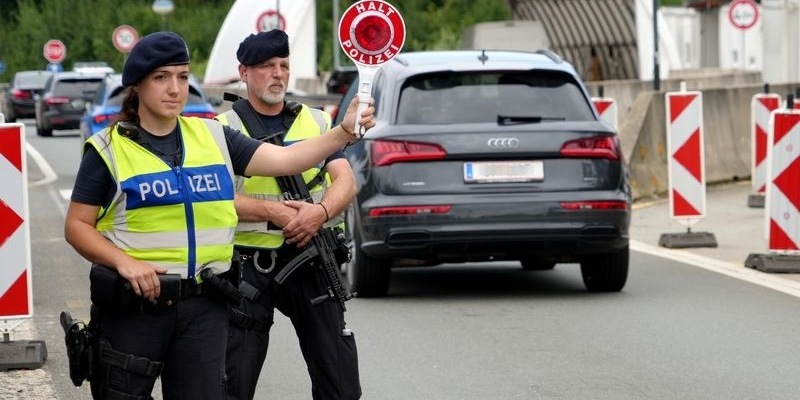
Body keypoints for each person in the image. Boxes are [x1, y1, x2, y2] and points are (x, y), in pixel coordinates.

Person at [63, 31, 373, 400]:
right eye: (161, 78)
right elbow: (77, 226)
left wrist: (343, 132)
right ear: (137, 85)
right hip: (139, 304)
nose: (175, 88)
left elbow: (286, 159)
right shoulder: (109, 149)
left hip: (204, 303)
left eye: (182, 76)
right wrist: (124, 263)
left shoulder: (212, 136)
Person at [217, 29, 361, 400]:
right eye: (266, 66)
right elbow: (216, 199)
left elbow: (345, 181)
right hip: (248, 266)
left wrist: (320, 212)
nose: (278, 73)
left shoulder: (317, 122)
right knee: (232, 384)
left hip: (312, 258)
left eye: (283, 65)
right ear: (244, 72)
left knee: (341, 385)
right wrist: (274, 212)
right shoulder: (222, 129)